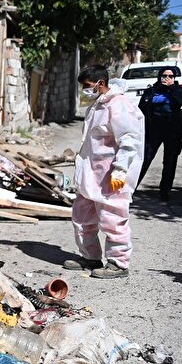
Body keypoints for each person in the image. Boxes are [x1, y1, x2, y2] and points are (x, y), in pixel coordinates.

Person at [63, 65, 144, 279]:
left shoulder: (119, 105)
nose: (85, 90)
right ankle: (90, 257)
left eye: (88, 86)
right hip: (91, 173)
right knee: (82, 216)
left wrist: (120, 169)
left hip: (110, 175)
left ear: (100, 83)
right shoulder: (97, 105)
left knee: (113, 218)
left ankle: (118, 263)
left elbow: (129, 139)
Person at [137, 66, 182, 201]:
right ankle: (131, 188)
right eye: (164, 75)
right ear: (160, 76)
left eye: (170, 76)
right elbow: (141, 109)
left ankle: (165, 191)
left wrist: (171, 88)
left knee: (169, 161)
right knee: (145, 159)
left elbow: (180, 102)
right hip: (153, 131)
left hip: (173, 131)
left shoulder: (178, 90)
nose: (167, 78)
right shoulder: (152, 91)